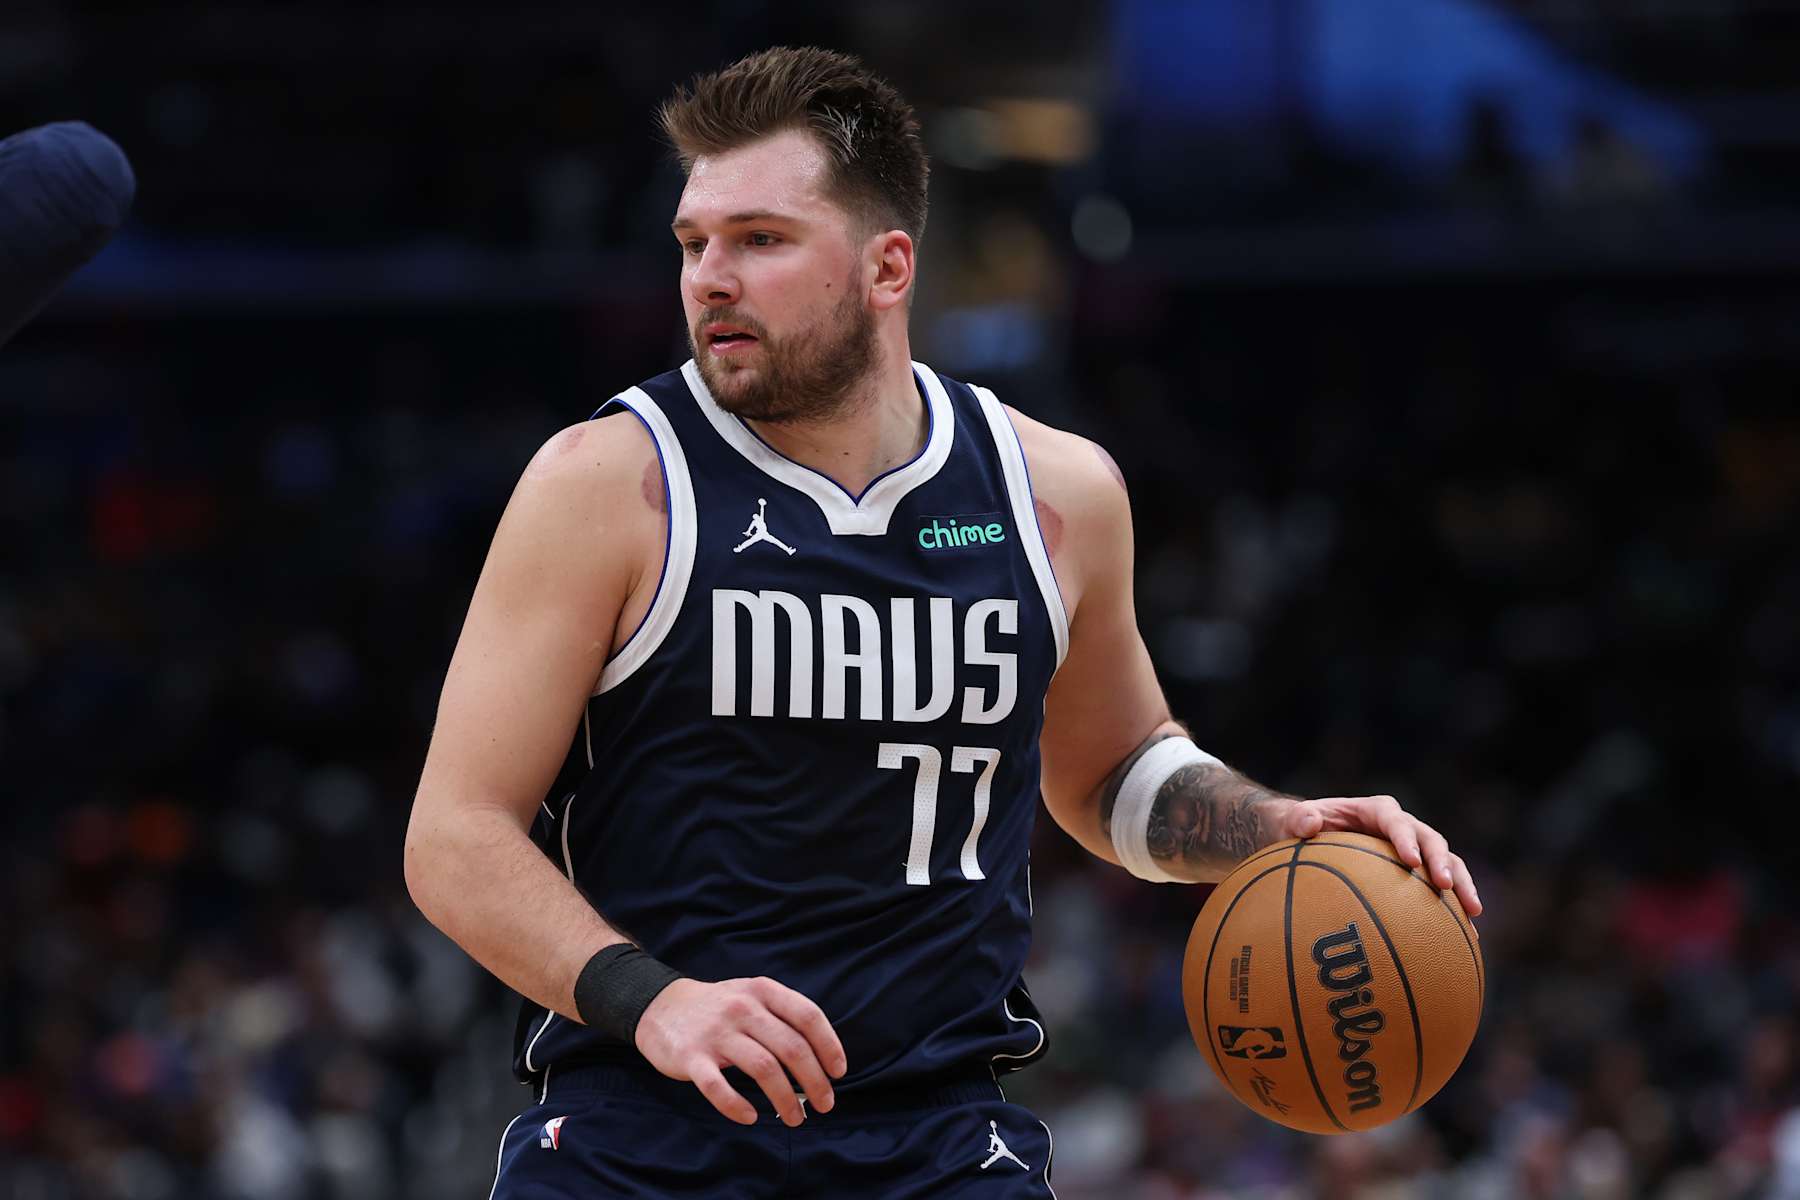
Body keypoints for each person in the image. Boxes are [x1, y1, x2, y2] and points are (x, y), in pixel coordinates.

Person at [403, 46, 1482, 1198]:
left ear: (888, 266)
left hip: (940, 1140)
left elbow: (1113, 774)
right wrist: (649, 996)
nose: (710, 277)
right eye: (693, 243)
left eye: (760, 240)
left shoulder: (1055, 493)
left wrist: (1272, 829)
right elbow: (454, 836)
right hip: (646, 1135)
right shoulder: (605, 484)